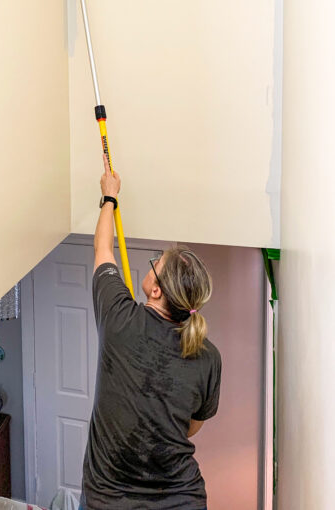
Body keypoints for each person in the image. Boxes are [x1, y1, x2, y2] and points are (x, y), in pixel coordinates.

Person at [79, 155, 222, 510]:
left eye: (156, 261)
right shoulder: (208, 355)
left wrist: (109, 196)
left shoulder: (119, 317)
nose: (153, 261)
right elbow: (191, 427)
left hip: (108, 499)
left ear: (156, 290)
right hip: (181, 499)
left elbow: (102, 248)